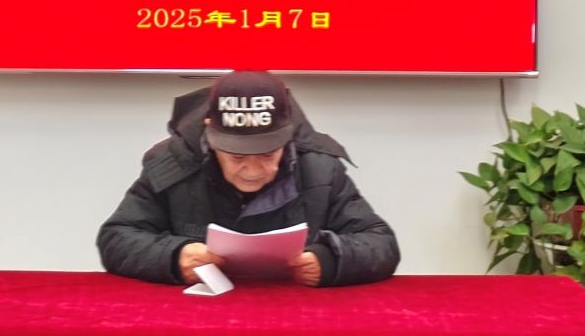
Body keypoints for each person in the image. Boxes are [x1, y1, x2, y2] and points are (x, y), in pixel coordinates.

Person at [97, 71, 400, 287]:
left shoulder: (319, 167)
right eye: (236, 157)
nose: (252, 171)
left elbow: (381, 242)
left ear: (288, 135)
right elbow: (116, 238)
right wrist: (173, 256)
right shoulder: (173, 162)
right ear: (210, 134)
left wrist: (332, 260)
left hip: (295, 313)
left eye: (267, 155)